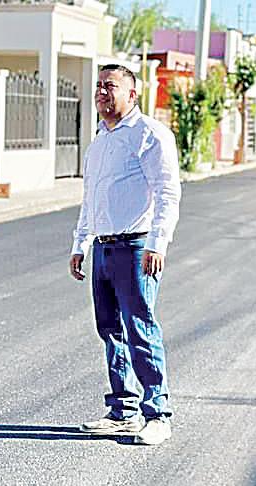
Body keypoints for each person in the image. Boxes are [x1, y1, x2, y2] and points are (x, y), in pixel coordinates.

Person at [69, 64, 181, 446]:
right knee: (110, 330)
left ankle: (158, 414)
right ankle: (123, 411)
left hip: (136, 248)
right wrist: (81, 243)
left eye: (111, 86)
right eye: (99, 86)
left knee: (140, 328)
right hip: (103, 247)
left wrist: (157, 243)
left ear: (132, 94)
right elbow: (91, 197)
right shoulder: (100, 140)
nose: (102, 92)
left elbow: (167, 192)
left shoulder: (149, 134)